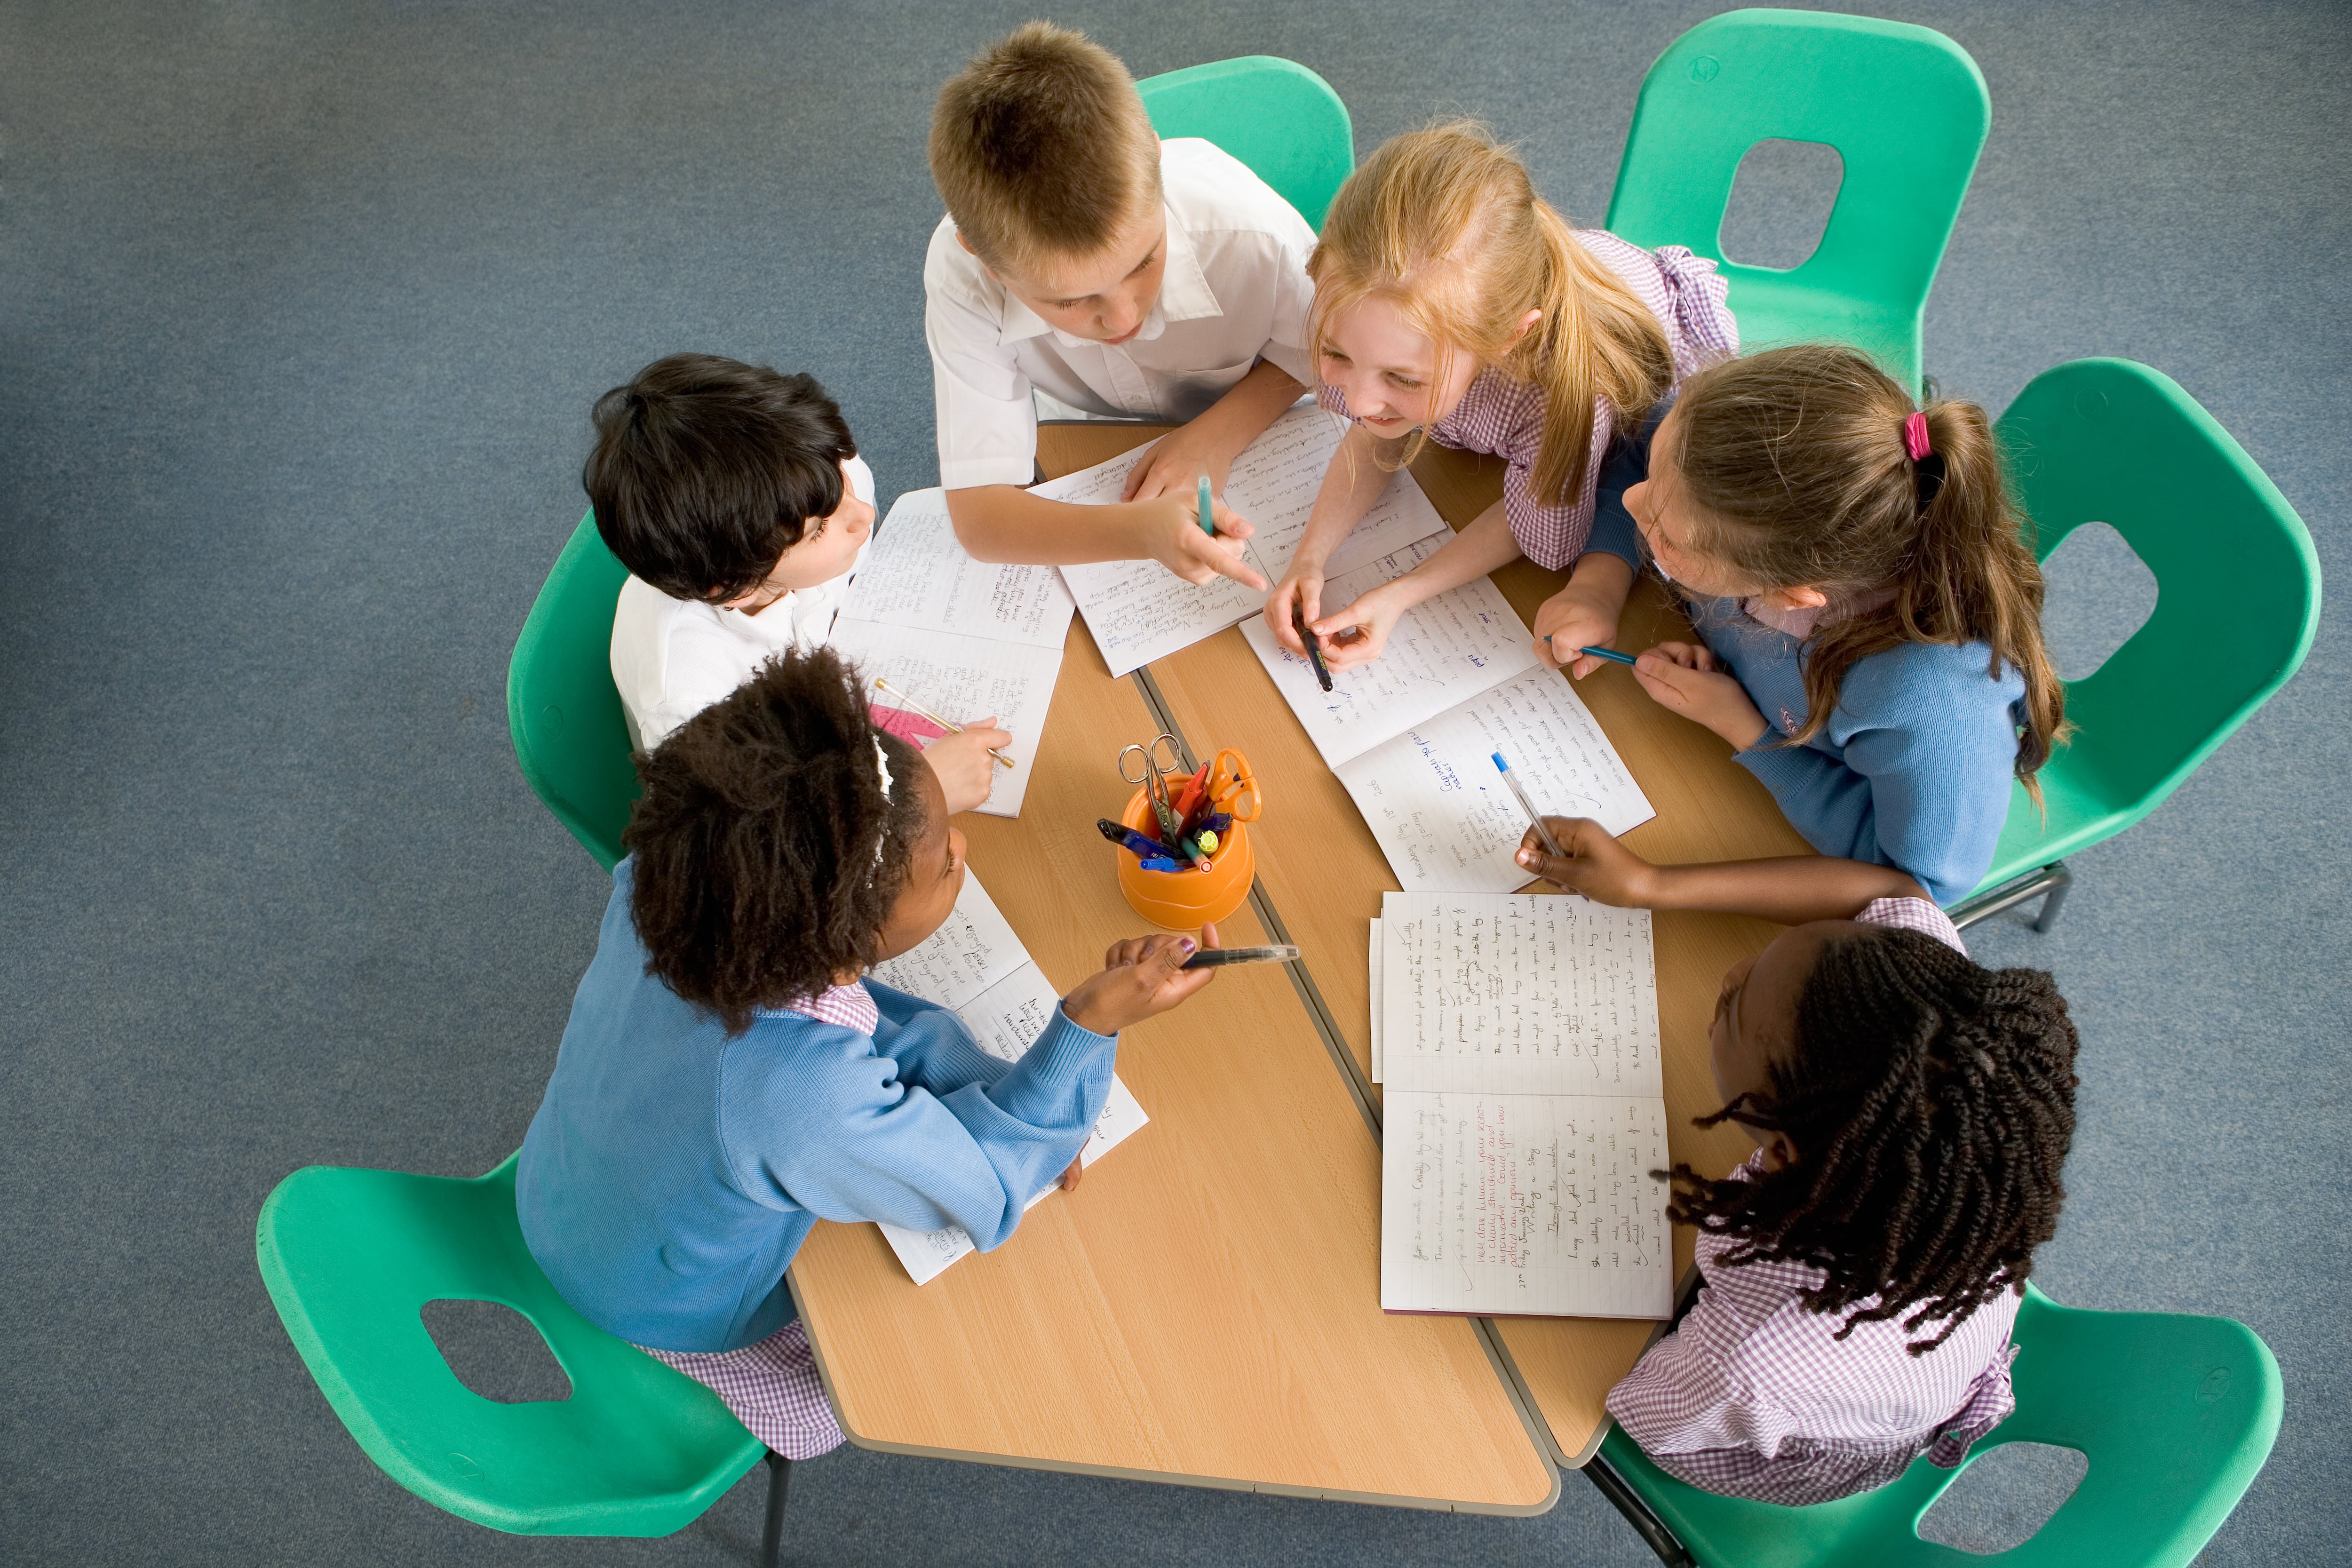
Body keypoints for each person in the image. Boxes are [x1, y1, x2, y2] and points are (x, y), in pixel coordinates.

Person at [515, 646, 1218, 1458]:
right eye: (945, 858)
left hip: (565, 1192)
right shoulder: (800, 1096)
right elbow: (987, 1189)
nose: (962, 853)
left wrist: (990, 1087)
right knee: (862, 1389)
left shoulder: (674, 885)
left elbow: (862, 1020)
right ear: (851, 932)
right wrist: (1087, 1026)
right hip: (653, 1298)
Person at [1514, 820, 2079, 1504]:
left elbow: (1655, 1418)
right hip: (1906, 1329)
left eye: (1734, 1001)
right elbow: (1894, 891)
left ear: (1781, 1151)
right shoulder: (1930, 1025)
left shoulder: (1755, 1354)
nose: (1729, 972)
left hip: (1788, 1425)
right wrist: (1652, 885)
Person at [1263, 121, 1737, 674]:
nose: (1362, 402)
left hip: (1646, 402)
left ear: (1507, 338)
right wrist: (1310, 557)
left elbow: (1525, 516)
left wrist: (1401, 593)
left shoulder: (1564, 397)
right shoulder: (1376, 316)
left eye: (1404, 380)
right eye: (1337, 354)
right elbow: (1372, 438)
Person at [1610, 343, 2066, 905]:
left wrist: (1746, 731)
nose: (1634, 502)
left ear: (1791, 595)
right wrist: (1596, 583)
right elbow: (1645, 441)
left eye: (1663, 531)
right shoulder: (1715, 464)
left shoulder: (1931, 702)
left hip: (1785, 826)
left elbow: (1916, 885)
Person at [924, 21, 1318, 590]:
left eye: (1142, 264)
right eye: (1070, 300)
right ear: (983, 261)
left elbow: (1318, 351)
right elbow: (981, 519)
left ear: (1158, 164)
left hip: (1265, 428)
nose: (1124, 319)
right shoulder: (962, 276)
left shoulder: (1252, 235)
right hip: (1085, 433)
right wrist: (1135, 533)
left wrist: (1218, 434)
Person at [588, 352, 1011, 813]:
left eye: (838, 470)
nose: (862, 515)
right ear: (740, 584)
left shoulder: (811, 486)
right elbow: (764, 844)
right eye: (819, 530)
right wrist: (921, 797)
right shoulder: (695, 705)